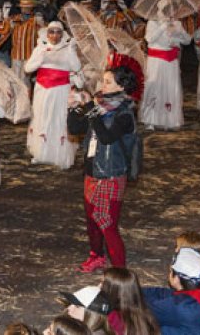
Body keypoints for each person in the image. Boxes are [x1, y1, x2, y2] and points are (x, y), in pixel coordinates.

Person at [67, 67, 138, 272]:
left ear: (121, 86)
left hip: (111, 174)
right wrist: (73, 108)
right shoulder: (100, 106)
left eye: (107, 82)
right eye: (103, 81)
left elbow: (106, 137)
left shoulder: (124, 112)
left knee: (107, 224)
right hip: (92, 170)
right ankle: (96, 256)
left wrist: (89, 106)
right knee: (92, 221)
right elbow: (75, 129)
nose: (102, 85)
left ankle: (119, 272)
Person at [25, 21, 82, 169]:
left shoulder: (68, 48)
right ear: (47, 33)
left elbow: (76, 67)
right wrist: (41, 57)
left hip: (61, 90)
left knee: (58, 119)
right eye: (52, 32)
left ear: (62, 34)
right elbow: (28, 68)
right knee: (42, 117)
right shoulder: (41, 48)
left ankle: (59, 156)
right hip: (42, 90)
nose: (54, 35)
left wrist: (71, 50)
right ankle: (40, 153)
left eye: (58, 32)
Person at [143, 247, 200, 333]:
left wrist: (131, 293)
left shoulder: (180, 305)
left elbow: (147, 310)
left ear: (176, 278)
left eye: (171, 271)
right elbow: (166, 294)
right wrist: (139, 290)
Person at [139, 7, 191, 130]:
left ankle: (170, 120)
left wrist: (178, 35)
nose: (170, 13)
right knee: (154, 87)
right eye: (166, 10)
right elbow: (149, 38)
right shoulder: (153, 22)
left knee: (170, 88)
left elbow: (187, 40)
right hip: (156, 61)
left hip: (171, 62)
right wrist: (163, 26)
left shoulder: (176, 22)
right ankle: (150, 119)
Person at [101, 267, 160, 335]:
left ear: (114, 291)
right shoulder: (145, 313)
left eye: (103, 283)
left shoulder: (112, 317)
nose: (99, 285)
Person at [10, 0, 44, 82]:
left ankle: (25, 95)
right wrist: (6, 21)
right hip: (16, 54)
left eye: (27, 7)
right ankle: (16, 95)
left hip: (29, 55)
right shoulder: (15, 19)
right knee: (15, 78)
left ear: (31, 8)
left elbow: (44, 33)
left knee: (25, 80)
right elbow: (5, 30)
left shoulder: (35, 20)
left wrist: (42, 24)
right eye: (23, 7)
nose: (25, 9)